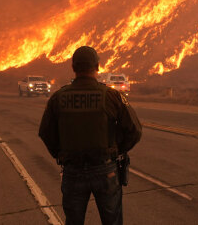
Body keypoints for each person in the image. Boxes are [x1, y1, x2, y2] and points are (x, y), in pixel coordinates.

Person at [39, 46, 142, 225]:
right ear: (97, 66)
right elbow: (134, 130)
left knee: (74, 221)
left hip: (73, 170)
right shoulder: (111, 96)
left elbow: (46, 132)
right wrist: (117, 150)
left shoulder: (58, 97)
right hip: (105, 169)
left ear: (73, 67)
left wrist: (61, 153)